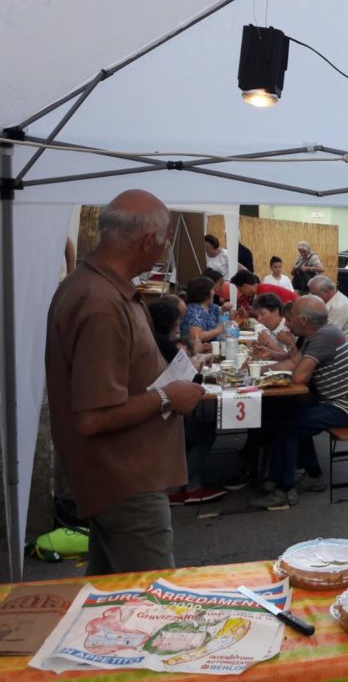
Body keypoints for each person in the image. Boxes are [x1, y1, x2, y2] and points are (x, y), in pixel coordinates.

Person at [46, 189, 204, 574]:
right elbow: (93, 417)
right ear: (149, 240)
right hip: (125, 481)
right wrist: (168, 396)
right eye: (166, 240)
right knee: (151, 596)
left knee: (111, 593)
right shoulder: (101, 302)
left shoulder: (97, 288)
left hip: (117, 479)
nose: (164, 248)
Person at [251, 296, 348, 509]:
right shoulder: (319, 333)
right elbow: (295, 363)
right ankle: (312, 475)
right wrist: (257, 370)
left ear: (304, 321)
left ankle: (284, 490)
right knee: (287, 415)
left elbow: (299, 377)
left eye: (291, 317)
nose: (288, 322)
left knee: (289, 426)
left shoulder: (323, 336)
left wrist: (265, 369)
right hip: (340, 402)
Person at [149, 300, 224, 507]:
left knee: (199, 422)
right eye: (178, 321)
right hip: (160, 412)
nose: (179, 326)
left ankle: (189, 483)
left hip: (156, 407)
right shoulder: (164, 344)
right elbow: (192, 379)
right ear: (171, 323)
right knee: (204, 430)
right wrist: (198, 359)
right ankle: (185, 486)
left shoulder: (152, 340)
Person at [308, 274, 348, 347]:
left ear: (326, 292)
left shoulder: (338, 307)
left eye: (314, 294)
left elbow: (327, 335)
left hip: (341, 348)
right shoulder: (333, 300)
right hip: (334, 344)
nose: (311, 297)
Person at [180, 275, 224, 350]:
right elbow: (196, 337)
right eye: (212, 290)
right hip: (194, 352)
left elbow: (223, 311)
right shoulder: (195, 310)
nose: (214, 293)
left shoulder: (209, 307)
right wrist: (218, 330)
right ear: (205, 292)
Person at [230, 269, 298, 312]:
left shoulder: (263, 292)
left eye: (240, 290)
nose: (241, 292)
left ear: (245, 286)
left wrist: (248, 313)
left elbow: (268, 314)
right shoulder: (261, 289)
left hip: (296, 310)